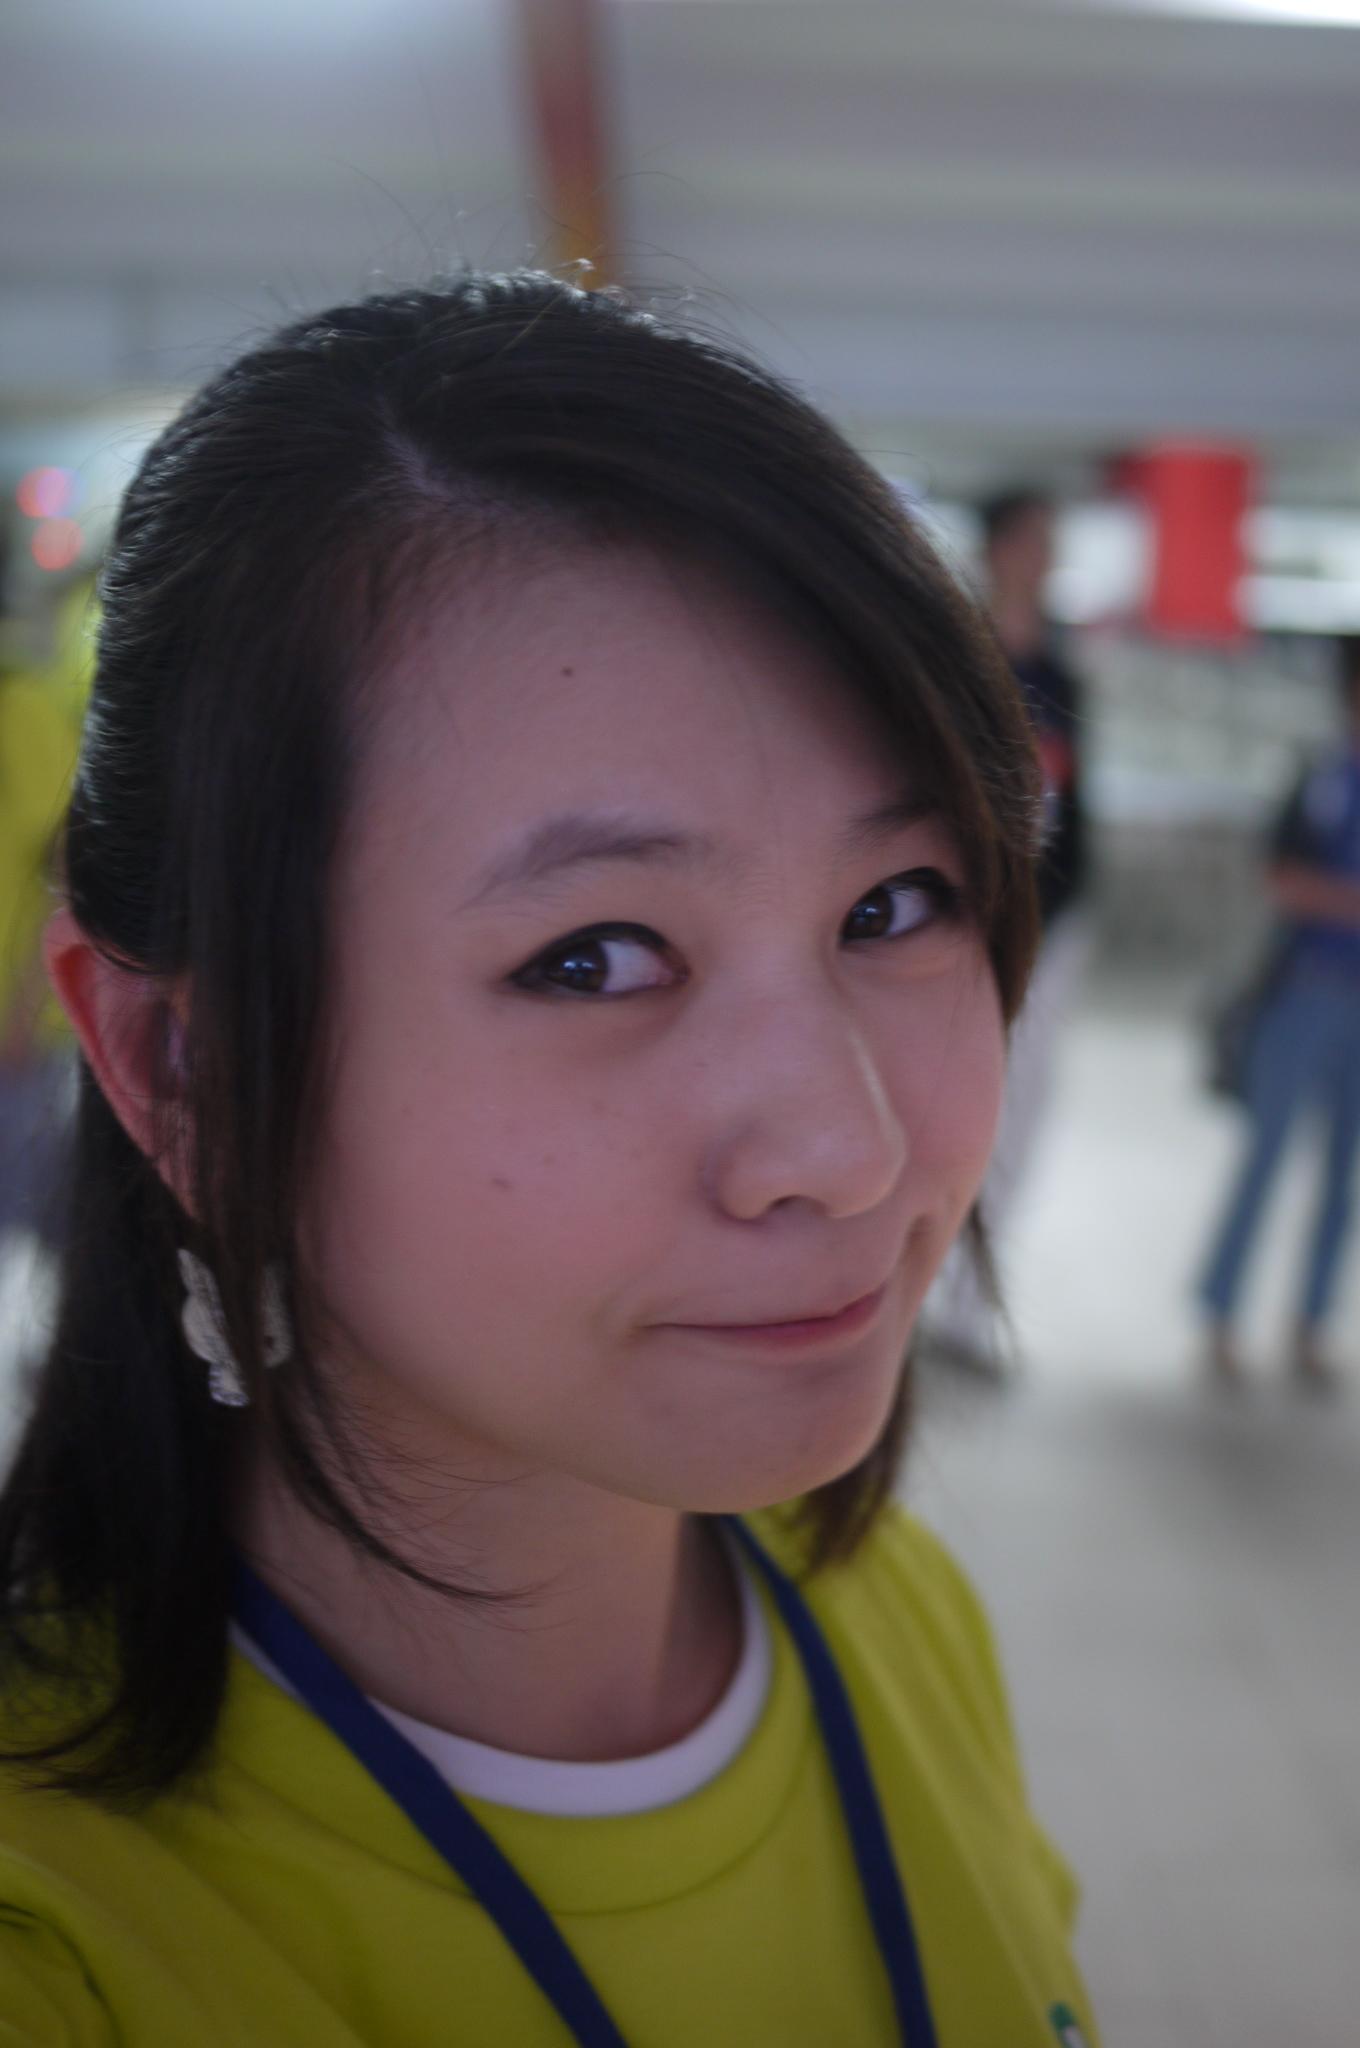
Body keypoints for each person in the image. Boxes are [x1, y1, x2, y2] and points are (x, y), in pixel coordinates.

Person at [0, 273, 1099, 2046]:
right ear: (175, 1063)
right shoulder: (61, 1942)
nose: (846, 1143)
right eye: (594, 953)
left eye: (897, 904)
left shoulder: (894, 1615)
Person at [922, 489, 1090, 1373]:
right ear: (998, 549)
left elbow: (1075, 795)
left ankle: (972, 1296)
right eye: (1035, 539)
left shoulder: (1060, 669)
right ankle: (931, 1280)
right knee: (959, 1101)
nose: (1046, 555)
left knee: (1024, 1108)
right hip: (976, 916)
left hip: (1055, 916)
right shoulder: (958, 652)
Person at [1197, 637, 1360, 1393]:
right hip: (1303, 990)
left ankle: (1311, 1322)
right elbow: (1281, 877)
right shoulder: (1319, 779)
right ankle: (1223, 1315)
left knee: (1343, 1178)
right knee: (1265, 1160)